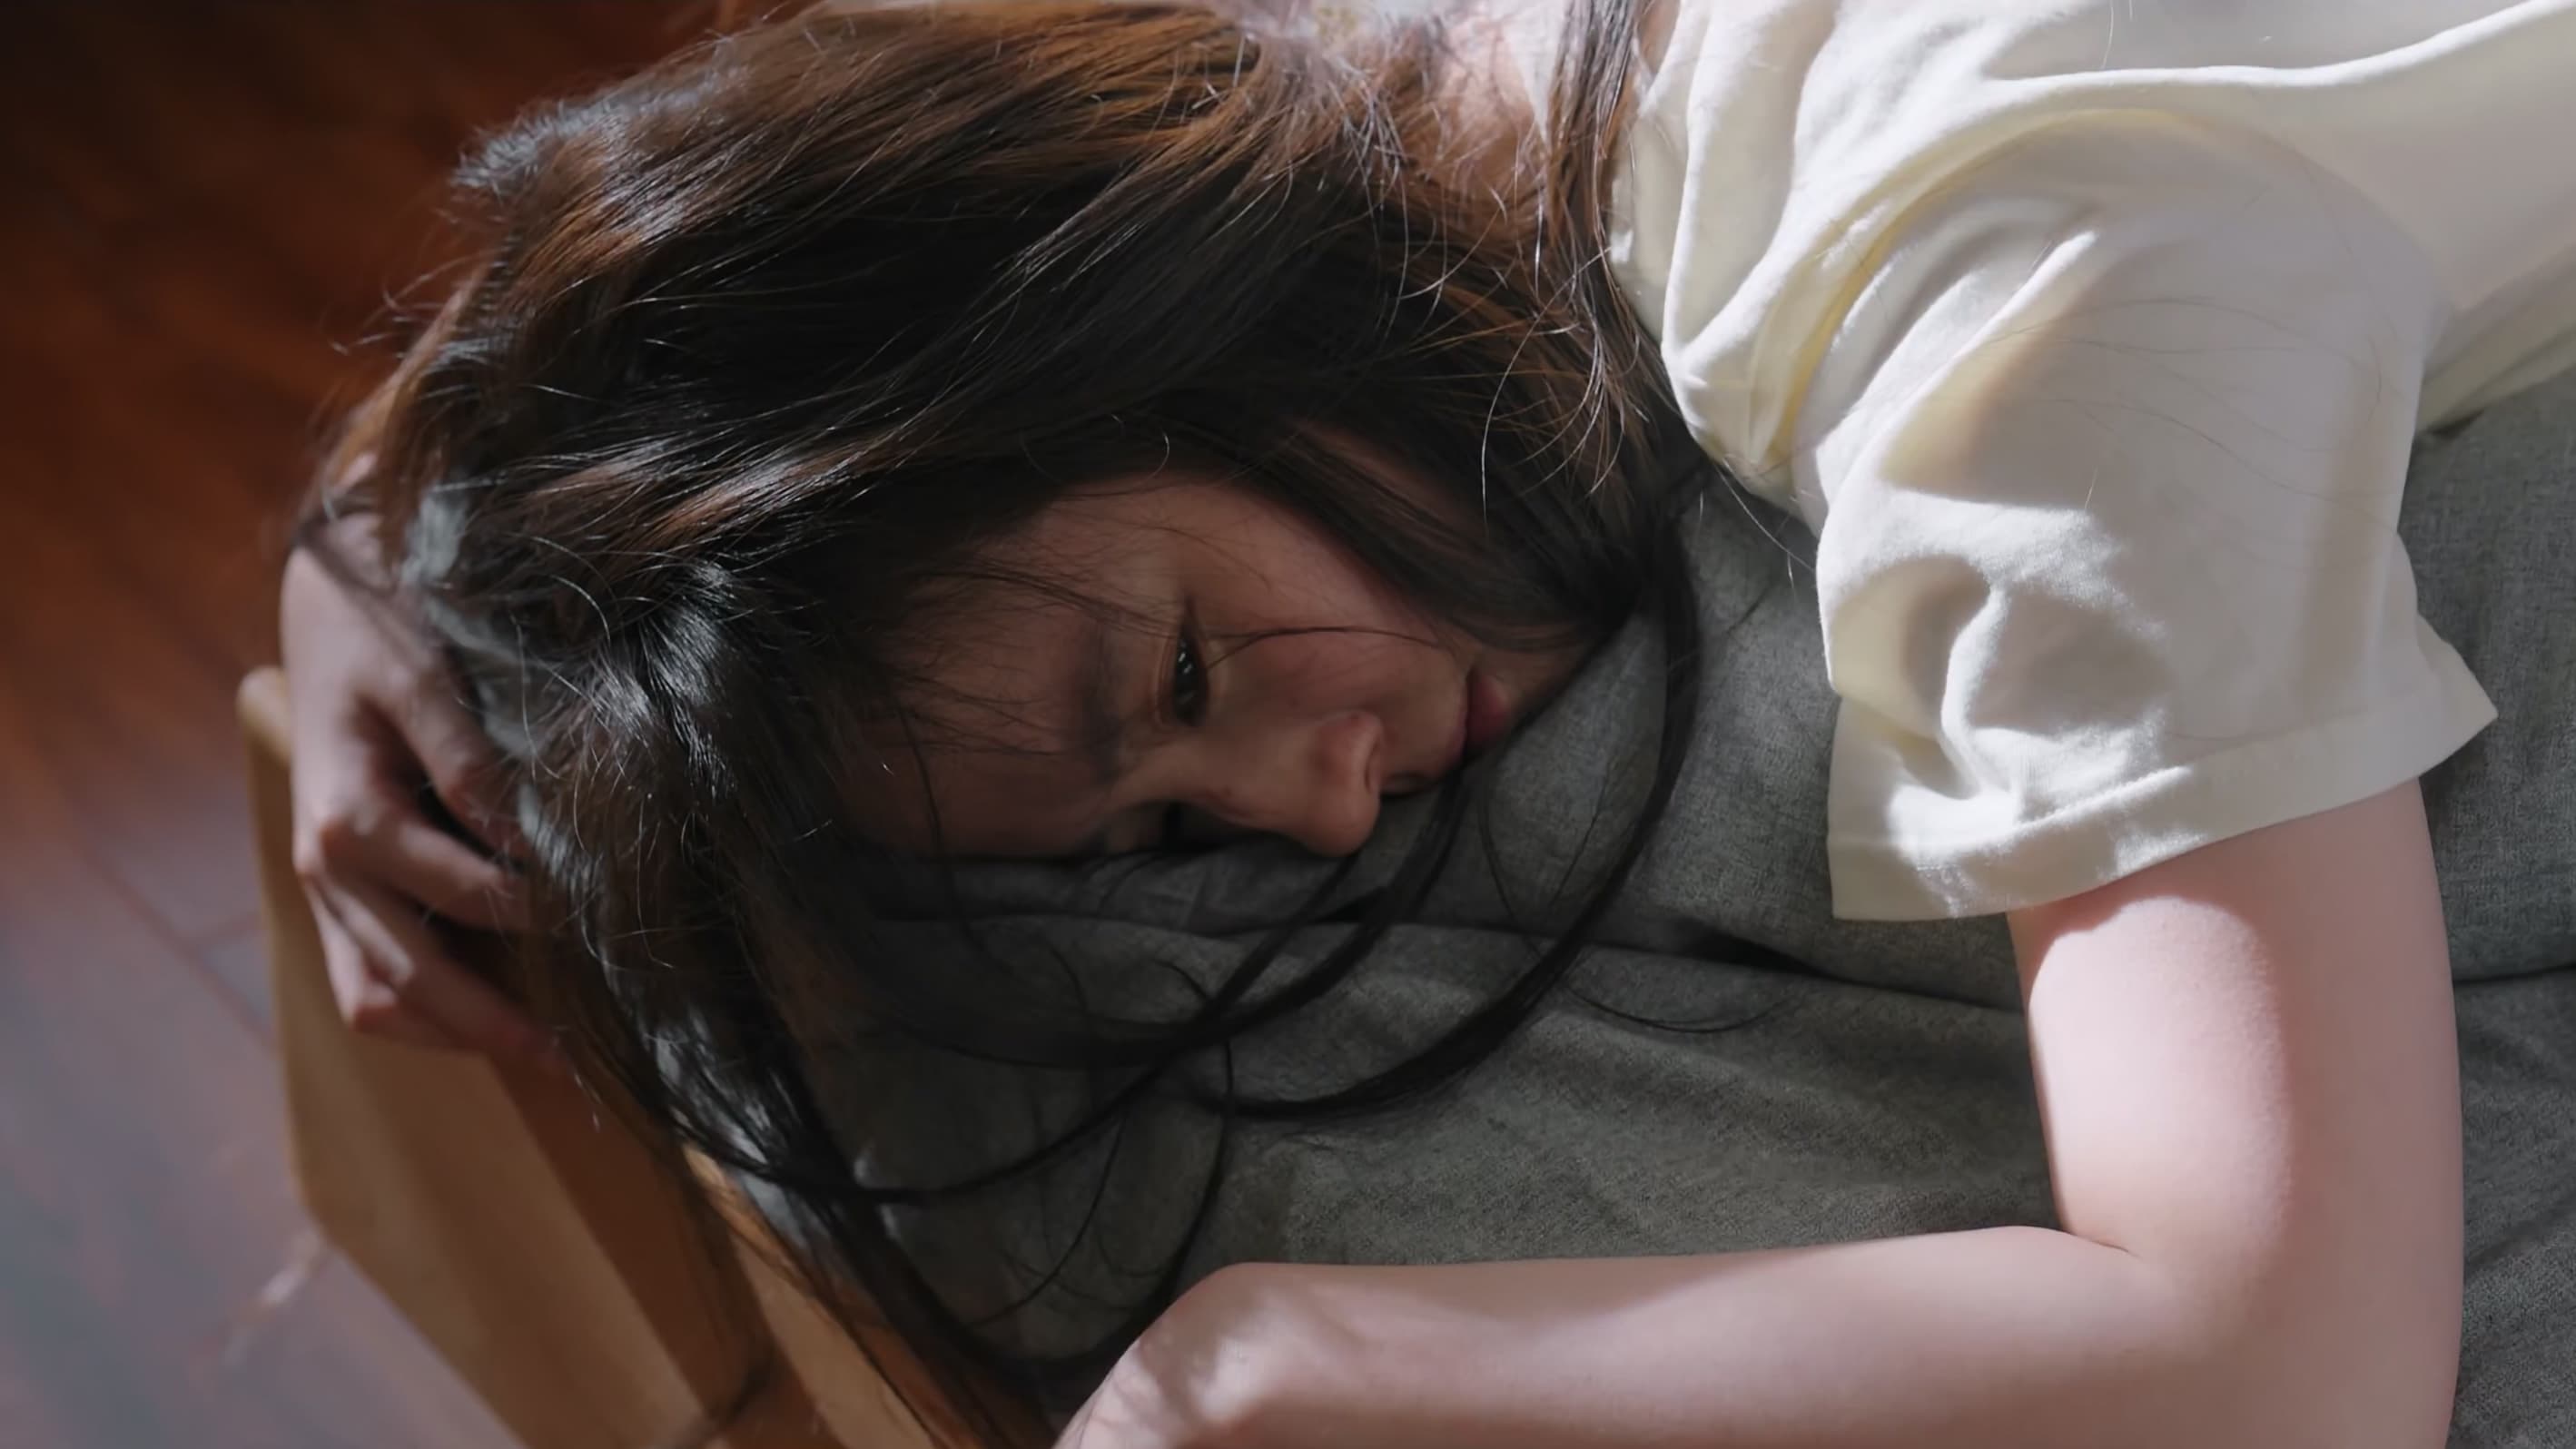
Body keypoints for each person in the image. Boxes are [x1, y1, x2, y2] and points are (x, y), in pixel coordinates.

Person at [278, 0, 2576, 1443]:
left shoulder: (2007, 308)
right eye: (1160, 824)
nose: (1313, 805)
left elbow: (2287, 1374)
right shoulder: (1378, 90)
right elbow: (818, 216)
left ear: (1151, 319)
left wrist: (1270, 1372)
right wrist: (380, 541)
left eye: (1184, 674)